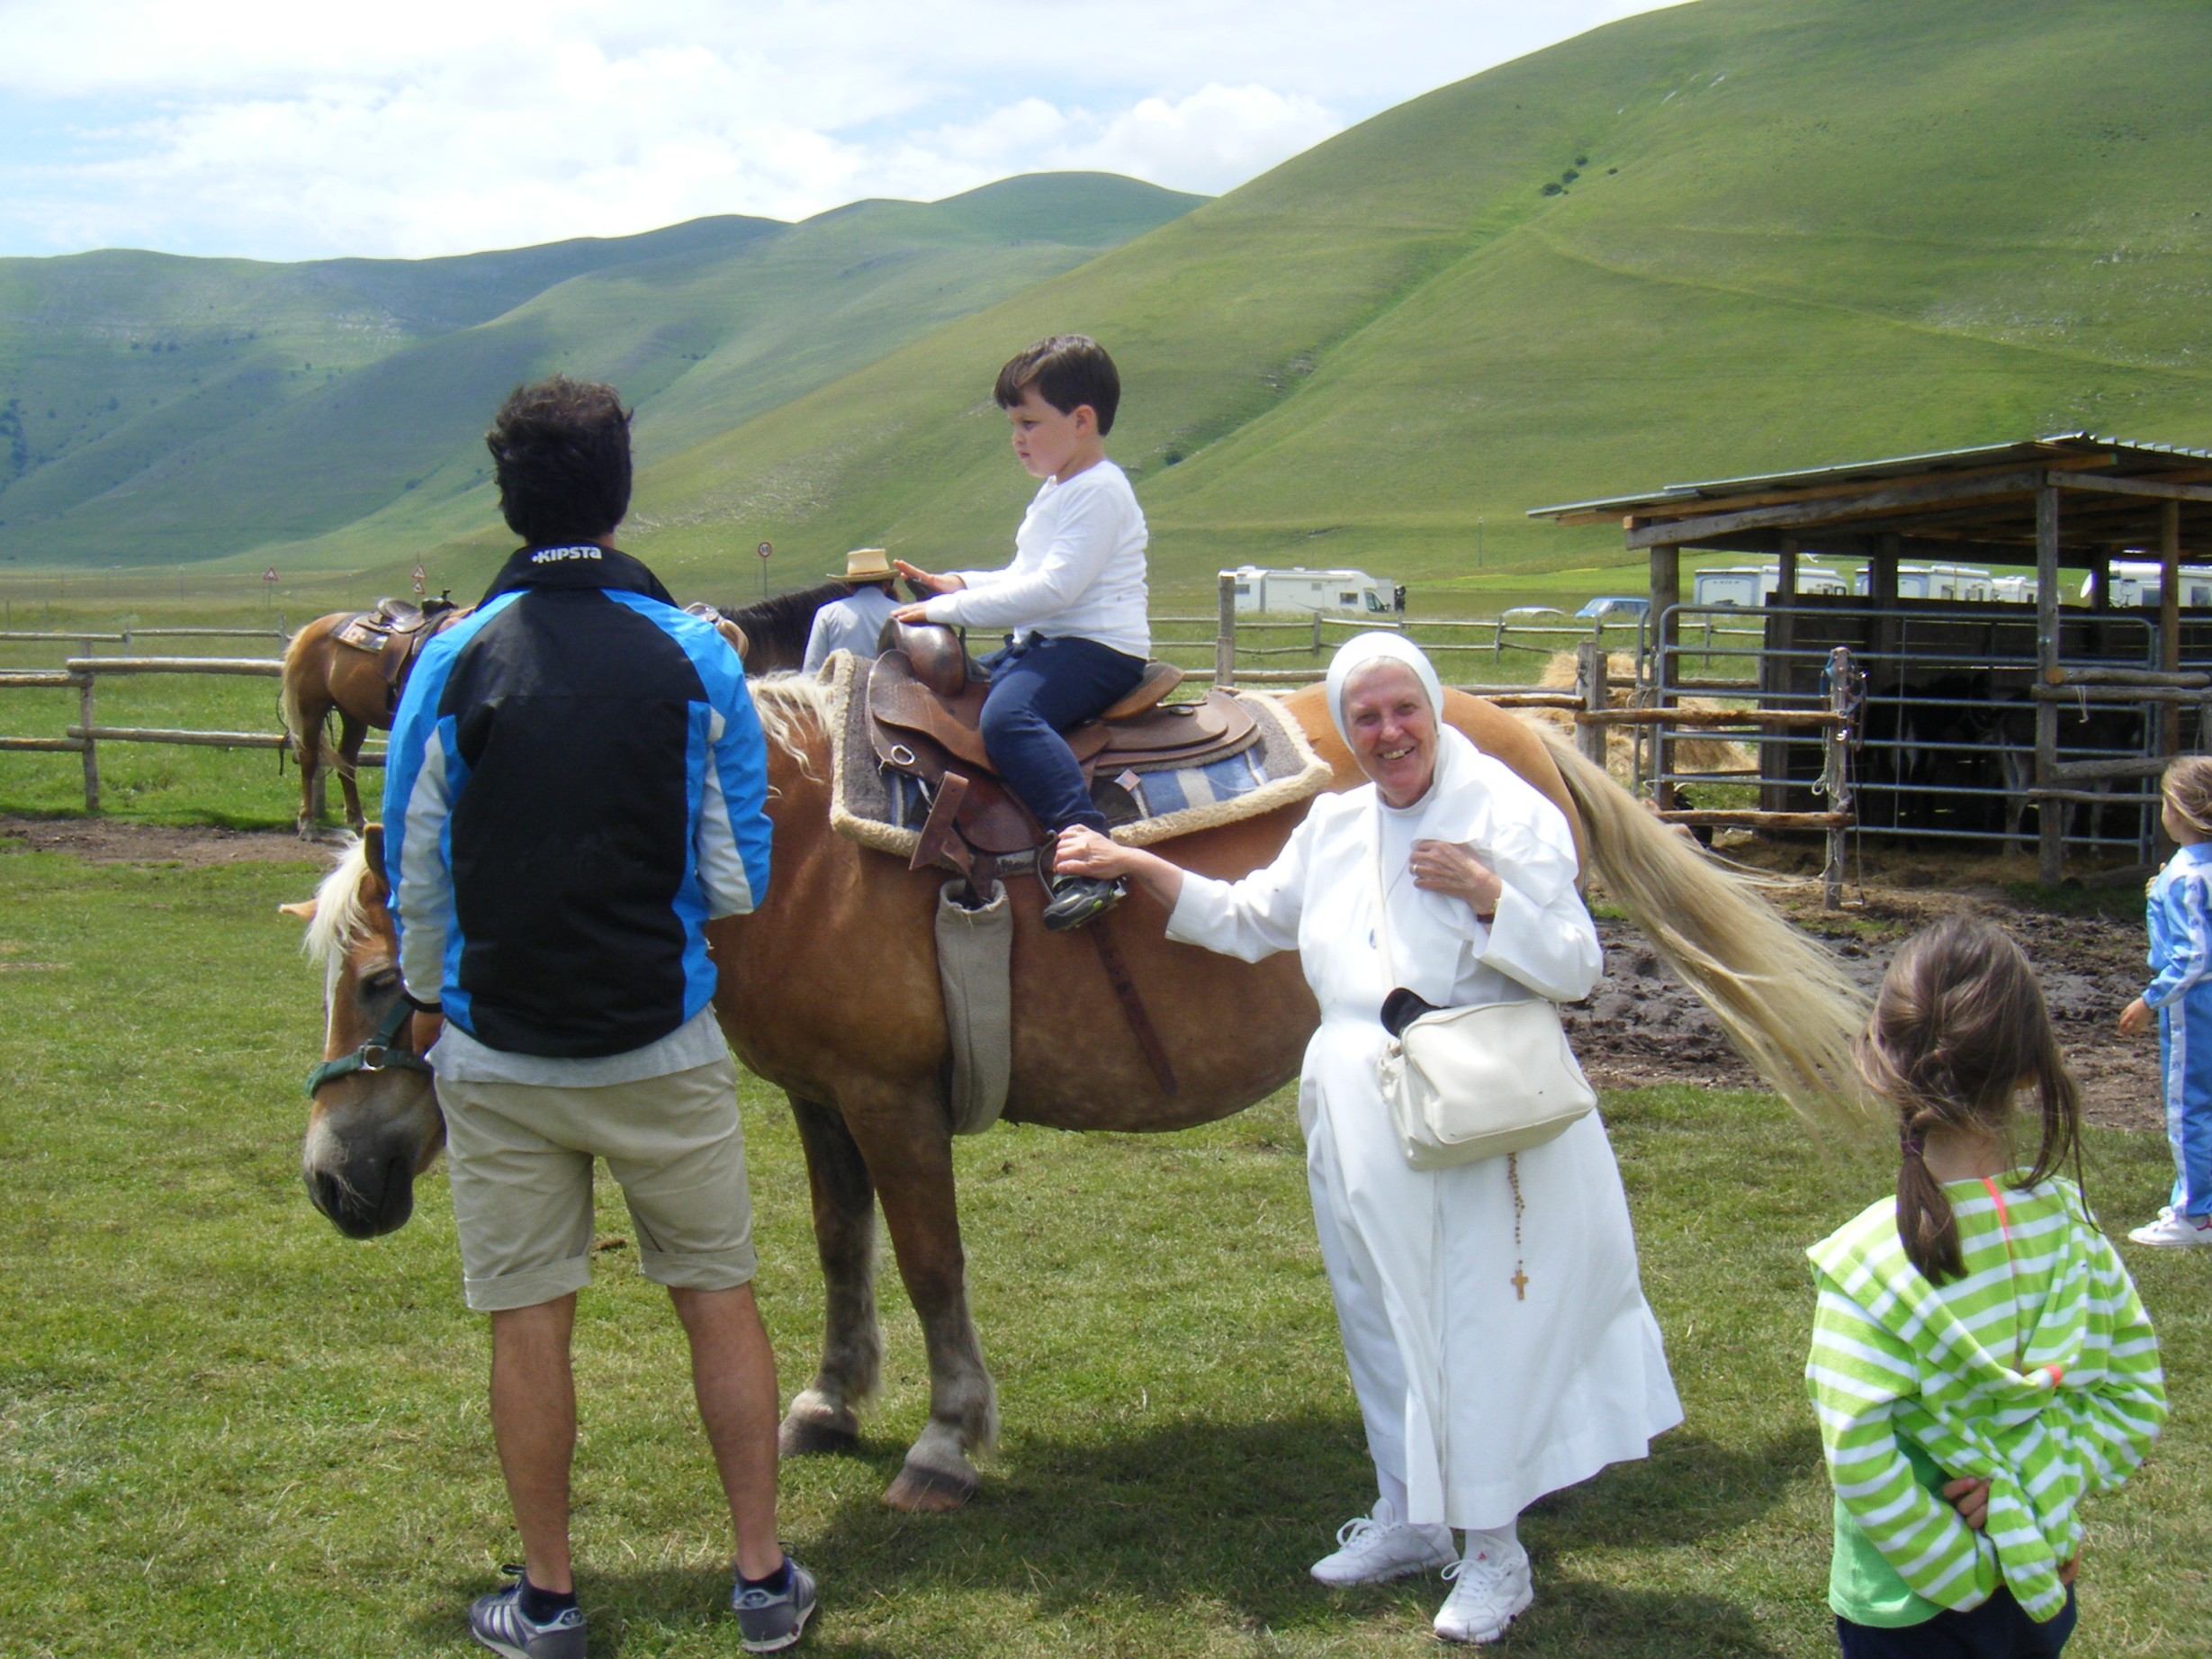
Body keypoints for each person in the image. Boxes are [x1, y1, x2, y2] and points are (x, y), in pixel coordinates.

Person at [1053, 632, 1682, 1645]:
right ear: (1347, 731)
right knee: (1377, 1312)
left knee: (1465, 1323)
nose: (1387, 732)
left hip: (1469, 1099)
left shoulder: (1506, 815)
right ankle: (1409, 1514)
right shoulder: (1336, 824)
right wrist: (1132, 860)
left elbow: (1575, 965)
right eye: (1366, 717)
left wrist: (1490, 895)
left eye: (1402, 710)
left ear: (1431, 709)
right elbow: (1246, 918)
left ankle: (1494, 1554)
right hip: (1353, 1096)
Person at [382, 376, 817, 1657]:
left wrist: (426, 997)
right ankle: (759, 1578)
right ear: (619, 492)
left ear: (507, 497)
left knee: (531, 1319)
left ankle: (551, 1597)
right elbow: (737, 869)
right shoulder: (692, 654)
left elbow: (414, 872)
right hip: (663, 1039)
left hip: (499, 1048)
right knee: (717, 1296)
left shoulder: (452, 659)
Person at [1806, 916, 2165, 1659]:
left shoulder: (1866, 1263)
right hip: (2037, 1588)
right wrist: (2034, 1507)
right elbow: (2135, 1399)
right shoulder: (2073, 1230)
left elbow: (1859, 1453)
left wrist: (1969, 1566)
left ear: (1885, 1059)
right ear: (2031, 1068)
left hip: (1908, 1607)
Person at [891, 334, 1149, 932]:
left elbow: (1053, 590)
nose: (1018, 438)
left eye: (1030, 422)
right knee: (959, 692)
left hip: (1097, 648)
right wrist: (954, 584)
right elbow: (1021, 576)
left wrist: (945, 612)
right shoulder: (1059, 490)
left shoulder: (1102, 491)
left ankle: (1087, 855)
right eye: (1014, 423)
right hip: (1049, 642)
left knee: (1007, 719)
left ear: (1081, 420)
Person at [2117, 755, 2212, 1247]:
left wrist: (2149, 1000)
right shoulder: (2195, 871)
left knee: (2187, 1106)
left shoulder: (2184, 875)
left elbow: (2192, 956)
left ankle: (2194, 1215)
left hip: (2192, 1007)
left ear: (2179, 810)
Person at [801, 547, 903, 672]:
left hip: (841, 690)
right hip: (889, 690)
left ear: (849, 585)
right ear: (887, 583)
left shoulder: (827, 614)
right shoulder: (902, 613)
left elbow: (812, 670)